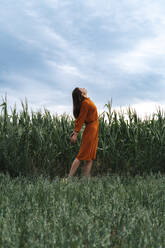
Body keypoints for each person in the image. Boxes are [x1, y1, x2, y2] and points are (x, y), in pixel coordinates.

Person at [67, 87, 99, 179]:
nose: (83, 88)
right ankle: (68, 178)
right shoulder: (85, 103)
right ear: (81, 94)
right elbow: (80, 119)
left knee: (90, 157)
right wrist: (75, 133)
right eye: (81, 89)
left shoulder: (86, 101)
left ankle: (85, 180)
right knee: (81, 155)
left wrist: (85, 96)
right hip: (91, 130)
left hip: (94, 129)